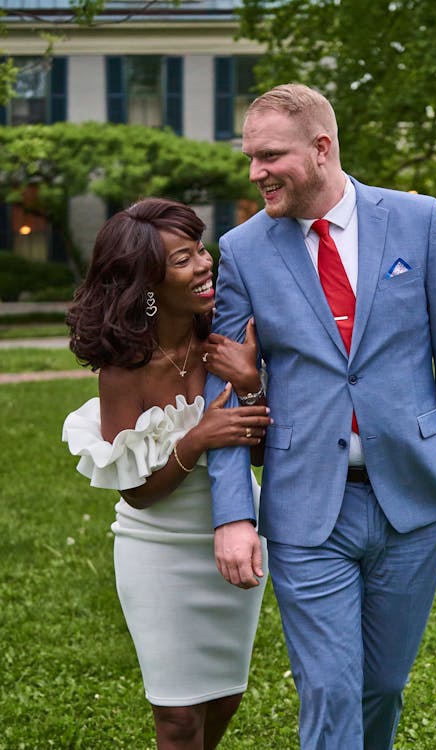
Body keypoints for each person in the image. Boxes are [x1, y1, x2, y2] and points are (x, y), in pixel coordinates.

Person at [203, 84, 436, 750]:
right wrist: (233, 513)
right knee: (328, 690)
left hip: (415, 501)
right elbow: (225, 384)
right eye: (249, 157)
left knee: (381, 685)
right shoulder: (242, 250)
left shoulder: (417, 222)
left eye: (269, 155)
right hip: (305, 506)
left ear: (321, 147)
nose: (254, 173)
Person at [61, 198, 271, 750]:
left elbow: (265, 453)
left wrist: (250, 382)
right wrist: (199, 436)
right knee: (178, 717)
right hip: (157, 549)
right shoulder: (124, 368)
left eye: (200, 249)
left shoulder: (226, 335)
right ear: (147, 282)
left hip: (237, 535)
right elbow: (137, 492)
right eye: (183, 259)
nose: (204, 264)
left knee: (225, 696)